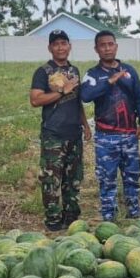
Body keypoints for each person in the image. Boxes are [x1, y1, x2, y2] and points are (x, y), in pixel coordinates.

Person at [80, 30, 140, 222]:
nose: (107, 48)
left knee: (132, 176)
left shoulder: (129, 71)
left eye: (111, 44)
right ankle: (109, 216)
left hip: (128, 135)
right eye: (103, 45)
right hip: (105, 137)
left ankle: (134, 213)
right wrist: (109, 82)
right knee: (107, 178)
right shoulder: (93, 74)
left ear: (116, 46)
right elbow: (85, 96)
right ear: (96, 49)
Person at [29, 29, 90, 232]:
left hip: (74, 134)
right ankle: (53, 222)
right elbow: (35, 100)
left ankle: (71, 219)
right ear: (50, 48)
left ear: (69, 46)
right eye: (56, 44)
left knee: (73, 180)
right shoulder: (43, 72)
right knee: (51, 181)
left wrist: (85, 124)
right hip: (53, 135)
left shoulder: (74, 71)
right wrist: (61, 91)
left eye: (64, 43)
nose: (60, 47)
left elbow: (77, 101)